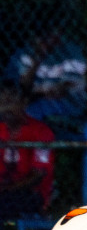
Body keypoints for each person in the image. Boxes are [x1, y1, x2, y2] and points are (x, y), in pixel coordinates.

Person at [5, 31, 87, 131]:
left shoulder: (71, 51)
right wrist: (37, 61)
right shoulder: (24, 53)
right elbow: (22, 87)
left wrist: (37, 92)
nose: (46, 41)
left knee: (35, 109)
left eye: (50, 35)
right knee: (22, 110)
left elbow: (64, 88)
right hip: (32, 102)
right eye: (42, 37)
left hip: (66, 103)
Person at [0, 78, 53, 218]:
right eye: (3, 103)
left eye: (11, 102)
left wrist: (6, 189)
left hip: (30, 193)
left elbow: (38, 175)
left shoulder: (41, 132)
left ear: (23, 104)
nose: (7, 108)